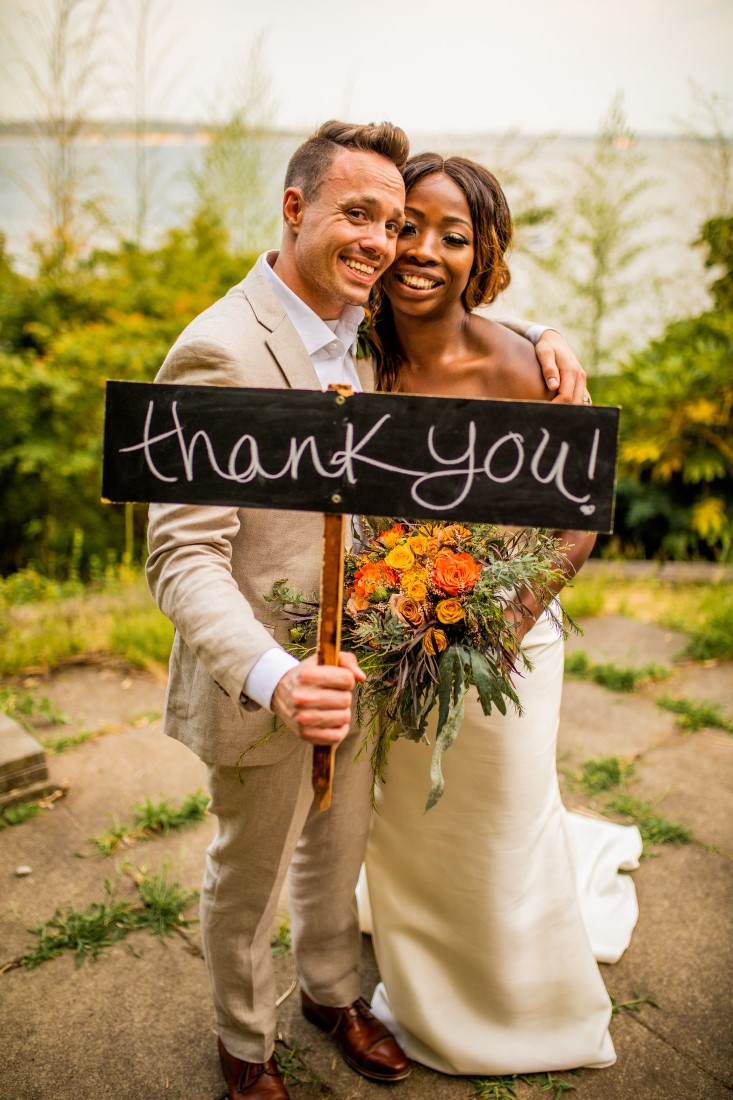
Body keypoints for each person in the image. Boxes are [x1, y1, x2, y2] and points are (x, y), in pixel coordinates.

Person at [146, 122, 591, 1100]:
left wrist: (546, 339)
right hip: (267, 680)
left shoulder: (358, 328)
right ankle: (243, 1041)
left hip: (371, 659)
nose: (384, 241)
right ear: (292, 207)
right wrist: (275, 674)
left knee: (339, 846)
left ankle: (333, 990)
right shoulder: (221, 351)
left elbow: (470, 337)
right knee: (247, 869)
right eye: (361, 213)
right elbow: (179, 554)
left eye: (389, 222)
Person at [358, 153, 643, 1076]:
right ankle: (425, 987)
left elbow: (576, 517)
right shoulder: (355, 357)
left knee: (502, 815)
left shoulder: (528, 365)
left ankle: (526, 1006)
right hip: (392, 633)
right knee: (403, 827)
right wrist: (398, 613)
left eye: (454, 235)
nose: (423, 250)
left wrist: (500, 617)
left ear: (482, 255)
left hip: (507, 639)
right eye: (408, 225)